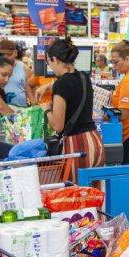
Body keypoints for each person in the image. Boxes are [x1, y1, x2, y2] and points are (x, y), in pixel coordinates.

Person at [43, 38, 105, 177]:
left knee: (74, 194)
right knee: (92, 193)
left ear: (55, 60)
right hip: (95, 143)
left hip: (77, 147)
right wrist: (47, 87)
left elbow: (58, 126)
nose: (50, 66)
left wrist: (46, 109)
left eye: (49, 62)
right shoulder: (84, 77)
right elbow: (72, 87)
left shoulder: (61, 84)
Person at [0, 39, 32, 108]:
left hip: (21, 111)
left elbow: (32, 88)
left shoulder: (24, 68)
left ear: (15, 53)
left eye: (9, 54)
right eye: (3, 54)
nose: (5, 57)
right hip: (1, 110)